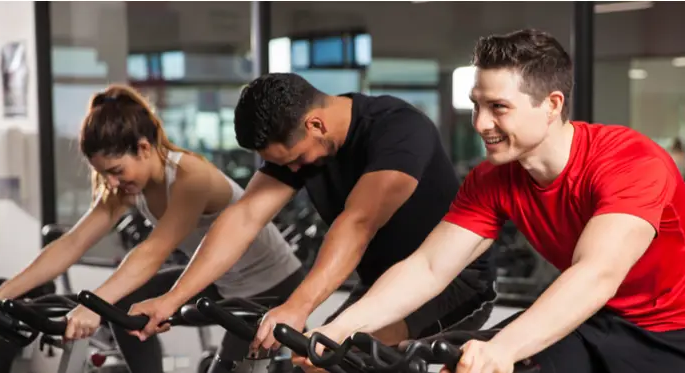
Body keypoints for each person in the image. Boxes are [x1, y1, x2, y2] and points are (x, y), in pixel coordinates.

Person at [301, 29, 685, 373]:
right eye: (476, 105)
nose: (480, 123)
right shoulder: (492, 178)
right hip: (593, 322)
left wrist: (504, 347)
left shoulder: (629, 161)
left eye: (498, 107)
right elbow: (428, 268)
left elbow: (596, 274)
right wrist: (339, 328)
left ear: (551, 104)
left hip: (681, 338)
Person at [127, 73, 497, 352]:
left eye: (296, 161)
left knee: (340, 359)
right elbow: (244, 218)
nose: (292, 171)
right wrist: (170, 300)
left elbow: (359, 222)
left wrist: (297, 307)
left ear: (315, 124)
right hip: (383, 284)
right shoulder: (302, 144)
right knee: (315, 359)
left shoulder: (398, 129)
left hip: (455, 283)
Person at [0, 84, 305, 373]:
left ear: (144, 148)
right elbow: (73, 243)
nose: (111, 182)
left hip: (271, 287)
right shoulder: (126, 187)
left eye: (116, 170)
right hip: (221, 282)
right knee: (123, 304)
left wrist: (93, 305)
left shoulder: (190, 177)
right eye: (104, 173)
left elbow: (154, 250)